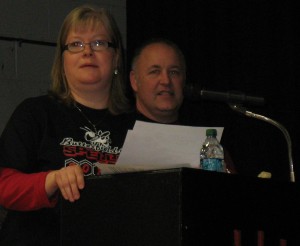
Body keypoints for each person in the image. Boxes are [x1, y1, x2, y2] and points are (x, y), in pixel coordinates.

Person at [0, 5, 132, 245]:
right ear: (62, 60)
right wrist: (51, 180)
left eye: (100, 43)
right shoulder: (35, 113)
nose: (88, 52)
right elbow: (3, 186)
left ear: (116, 58)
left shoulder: (136, 126)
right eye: (76, 44)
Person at [128, 38, 236, 173]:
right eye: (155, 71)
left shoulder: (209, 147)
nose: (166, 81)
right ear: (134, 80)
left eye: (173, 72)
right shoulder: (114, 137)